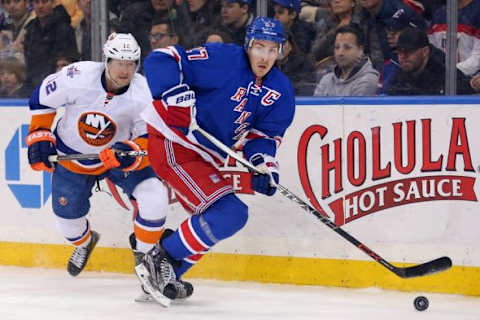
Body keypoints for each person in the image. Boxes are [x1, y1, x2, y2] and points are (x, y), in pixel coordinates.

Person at [139, 17, 295, 303]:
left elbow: (264, 136)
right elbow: (161, 59)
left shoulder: (281, 91)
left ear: (281, 51)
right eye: (259, 47)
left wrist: (262, 164)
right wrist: (172, 92)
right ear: (248, 45)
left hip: (204, 155)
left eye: (272, 50)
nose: (264, 56)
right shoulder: (224, 59)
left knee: (224, 218)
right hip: (173, 141)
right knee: (229, 213)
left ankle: (167, 272)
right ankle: (159, 260)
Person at [24, 33, 190, 299]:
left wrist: (133, 151)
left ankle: (146, 260)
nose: (125, 70)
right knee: (69, 226)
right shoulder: (77, 76)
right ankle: (85, 242)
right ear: (106, 60)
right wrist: (40, 135)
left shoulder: (144, 93)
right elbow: (42, 97)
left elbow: (153, 139)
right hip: (73, 158)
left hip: (119, 157)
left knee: (155, 197)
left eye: (131, 63)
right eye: (119, 62)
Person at [385, 27, 475, 95]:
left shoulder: (445, 74)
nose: (403, 57)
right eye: (400, 52)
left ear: (425, 52)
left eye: (410, 51)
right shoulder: (401, 73)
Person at [23, 0, 78, 91]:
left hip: (56, 83)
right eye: (37, 2)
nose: (40, 6)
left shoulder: (64, 28)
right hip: (32, 81)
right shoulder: (31, 29)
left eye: (44, 2)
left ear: (53, 3)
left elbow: (67, 59)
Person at [314, 24, 379, 96]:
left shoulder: (368, 80)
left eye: (347, 47)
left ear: (360, 50)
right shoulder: (326, 79)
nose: (340, 53)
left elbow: (354, 107)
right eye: (337, 47)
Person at [427, 0, 480, 77]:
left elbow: (477, 59)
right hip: (443, 80)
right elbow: (431, 51)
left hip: (472, 81)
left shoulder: (477, 11)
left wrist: (446, 72)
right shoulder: (439, 14)